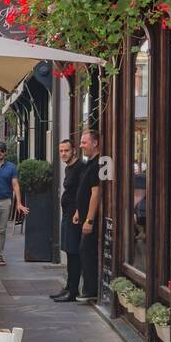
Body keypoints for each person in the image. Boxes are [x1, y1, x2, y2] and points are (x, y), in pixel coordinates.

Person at [50, 139, 84, 301]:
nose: (63, 154)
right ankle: (69, 287)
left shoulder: (79, 168)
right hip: (67, 214)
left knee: (73, 253)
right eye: (61, 151)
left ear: (74, 151)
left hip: (75, 217)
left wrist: (78, 211)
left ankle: (73, 291)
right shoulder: (69, 168)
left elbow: (83, 193)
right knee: (69, 252)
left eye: (66, 151)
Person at [0, 142, 27, 267]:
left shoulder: (11, 167)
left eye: (2, 150)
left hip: (5, 201)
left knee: (2, 230)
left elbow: (15, 185)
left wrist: (19, 203)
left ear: (5, 153)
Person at [73, 128, 102, 303]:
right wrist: (78, 211)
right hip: (83, 217)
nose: (81, 145)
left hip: (91, 220)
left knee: (86, 251)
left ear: (95, 142)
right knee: (84, 250)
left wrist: (89, 220)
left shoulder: (99, 163)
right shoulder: (89, 163)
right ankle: (89, 288)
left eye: (84, 142)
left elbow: (96, 194)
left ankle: (91, 289)